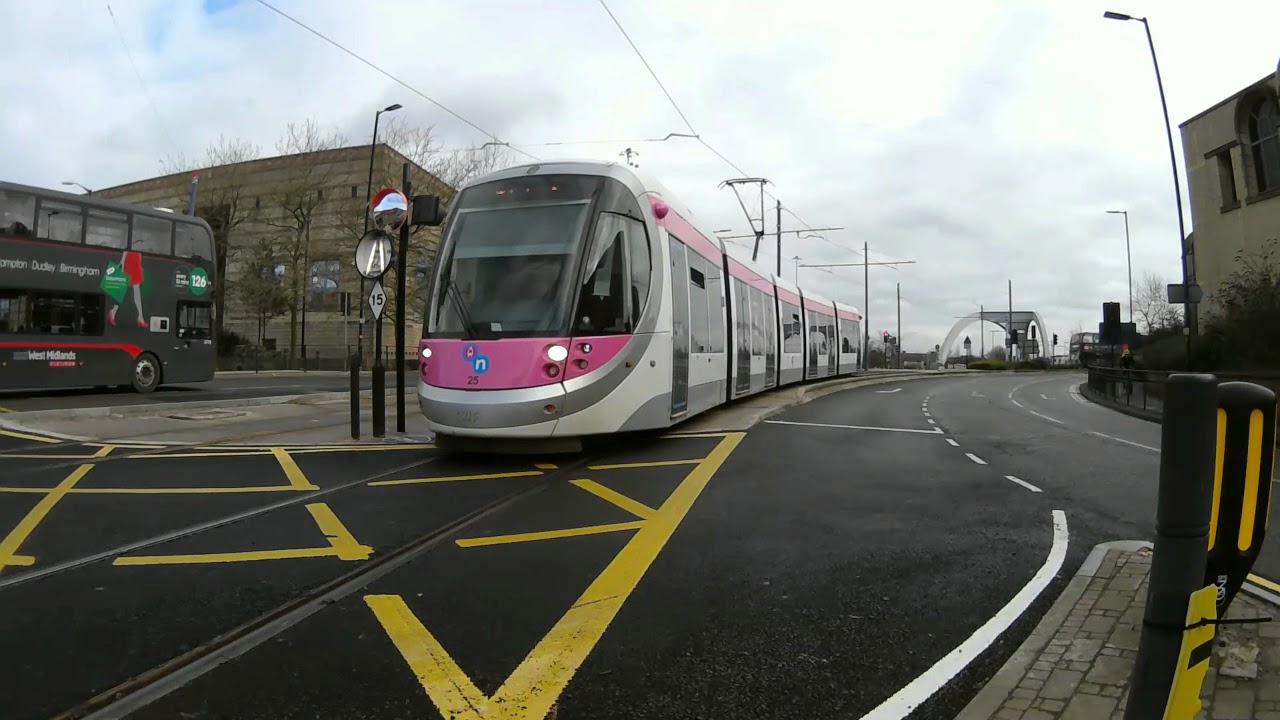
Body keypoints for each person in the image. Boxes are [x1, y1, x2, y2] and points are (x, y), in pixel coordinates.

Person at [109, 249, 147, 328]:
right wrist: (122, 262)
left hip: (135, 262)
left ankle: (140, 317)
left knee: (132, 291)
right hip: (130, 262)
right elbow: (126, 250)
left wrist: (139, 264)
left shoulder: (138, 241)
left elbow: (138, 252)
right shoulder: (134, 240)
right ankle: (140, 317)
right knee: (127, 290)